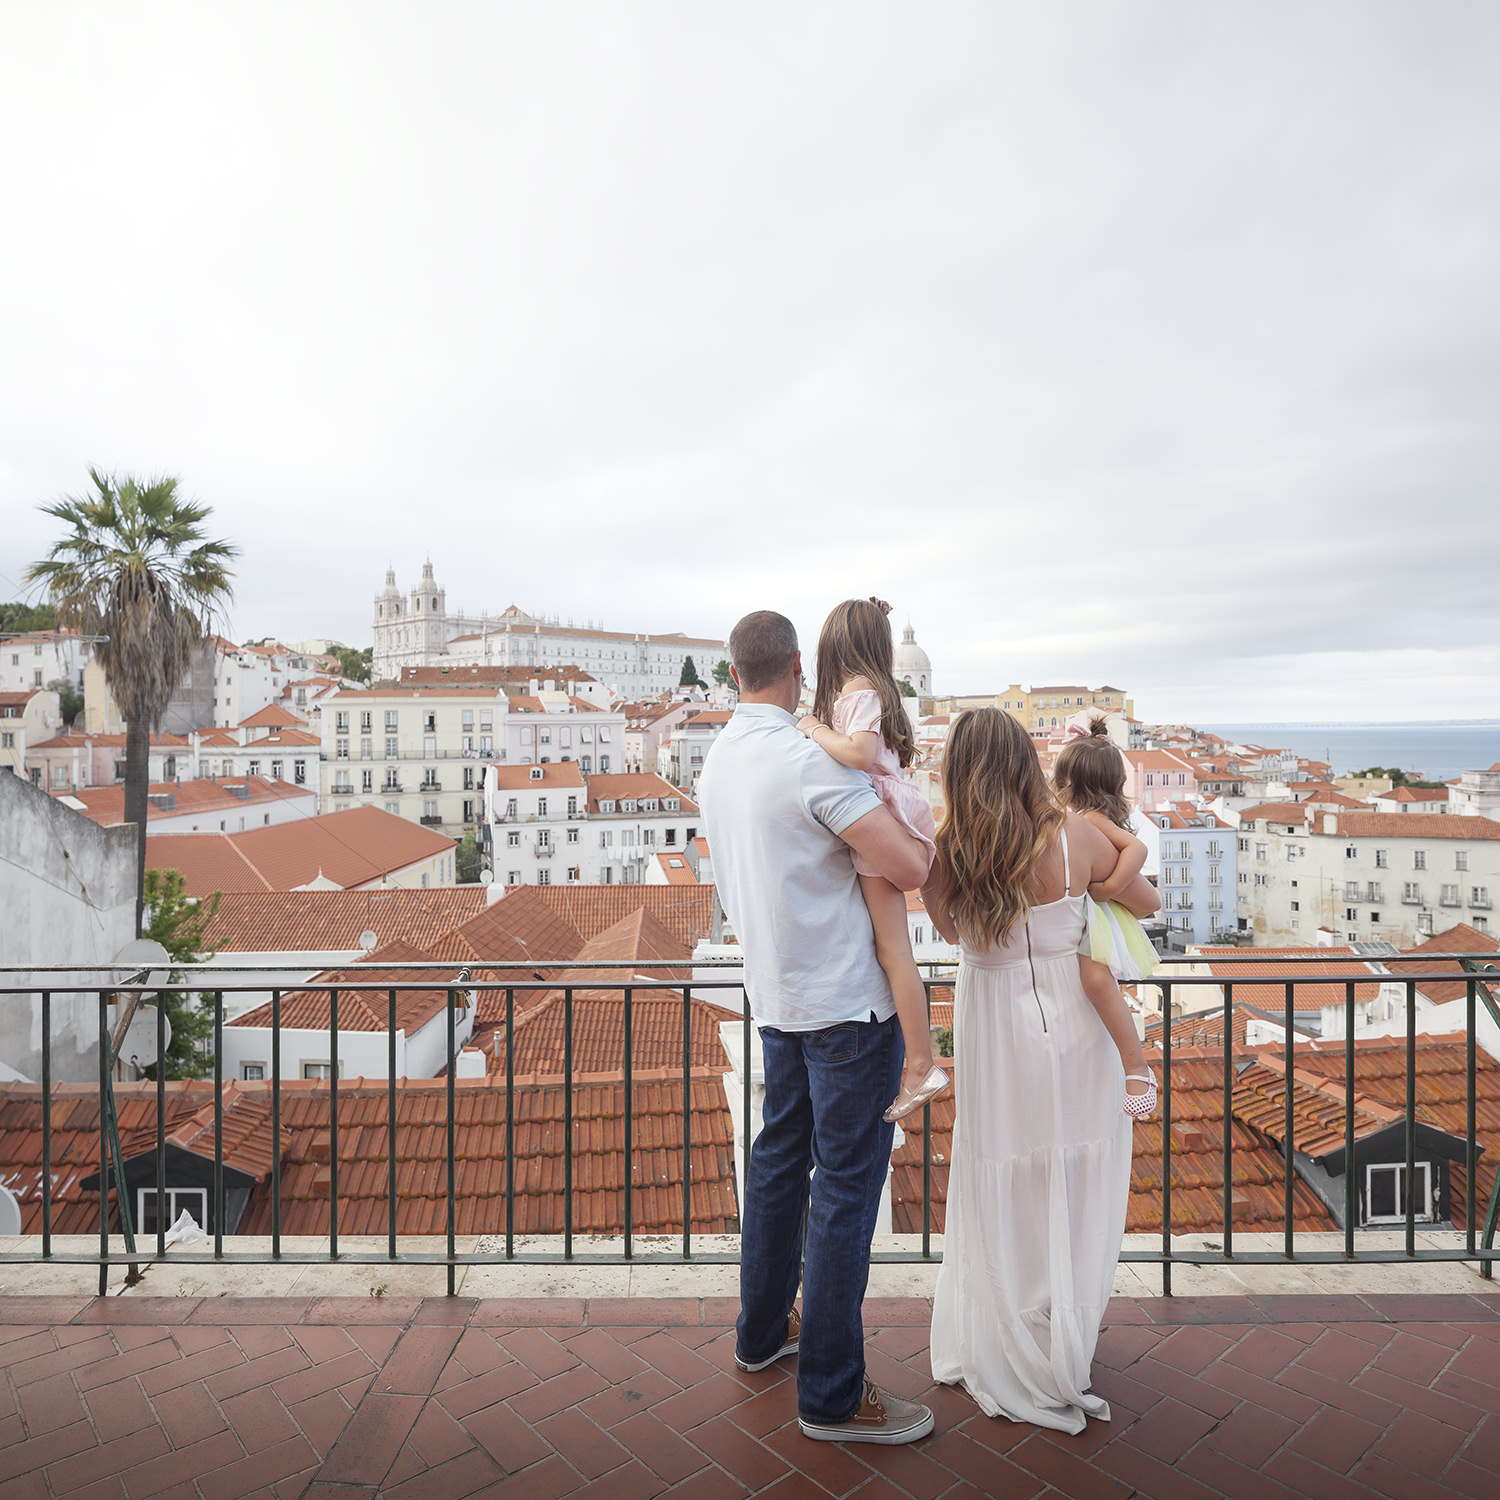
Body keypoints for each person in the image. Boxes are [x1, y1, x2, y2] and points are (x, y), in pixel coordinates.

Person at [698, 609, 936, 1445]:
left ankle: (763, 1336)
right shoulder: (804, 762)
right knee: (843, 1192)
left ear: (734, 674)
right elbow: (907, 866)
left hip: (778, 999)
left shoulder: (717, 761)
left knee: (775, 1167)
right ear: (797, 667)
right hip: (845, 1005)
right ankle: (834, 1397)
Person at [923, 708, 1159, 1433]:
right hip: (1076, 1022)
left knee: (1003, 1165)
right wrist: (1104, 886)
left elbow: (948, 932)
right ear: (1028, 764)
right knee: (1071, 1166)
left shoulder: (946, 853)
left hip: (993, 1023)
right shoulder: (1077, 834)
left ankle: (1011, 1325)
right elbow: (1138, 888)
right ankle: (1062, 1325)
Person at [796, 597, 946, 1123]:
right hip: (888, 811)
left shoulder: (858, 690)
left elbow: (859, 755)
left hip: (879, 815)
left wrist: (812, 730)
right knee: (892, 949)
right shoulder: (873, 689)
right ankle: (919, 1062)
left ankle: (921, 1065)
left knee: (894, 952)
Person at [1050, 718, 1161, 1117]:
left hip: (1096, 916)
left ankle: (1136, 1066)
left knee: (1097, 980)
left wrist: (1109, 887)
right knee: (1096, 980)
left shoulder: (1090, 819)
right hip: (1089, 916)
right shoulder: (1078, 818)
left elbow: (1137, 850)